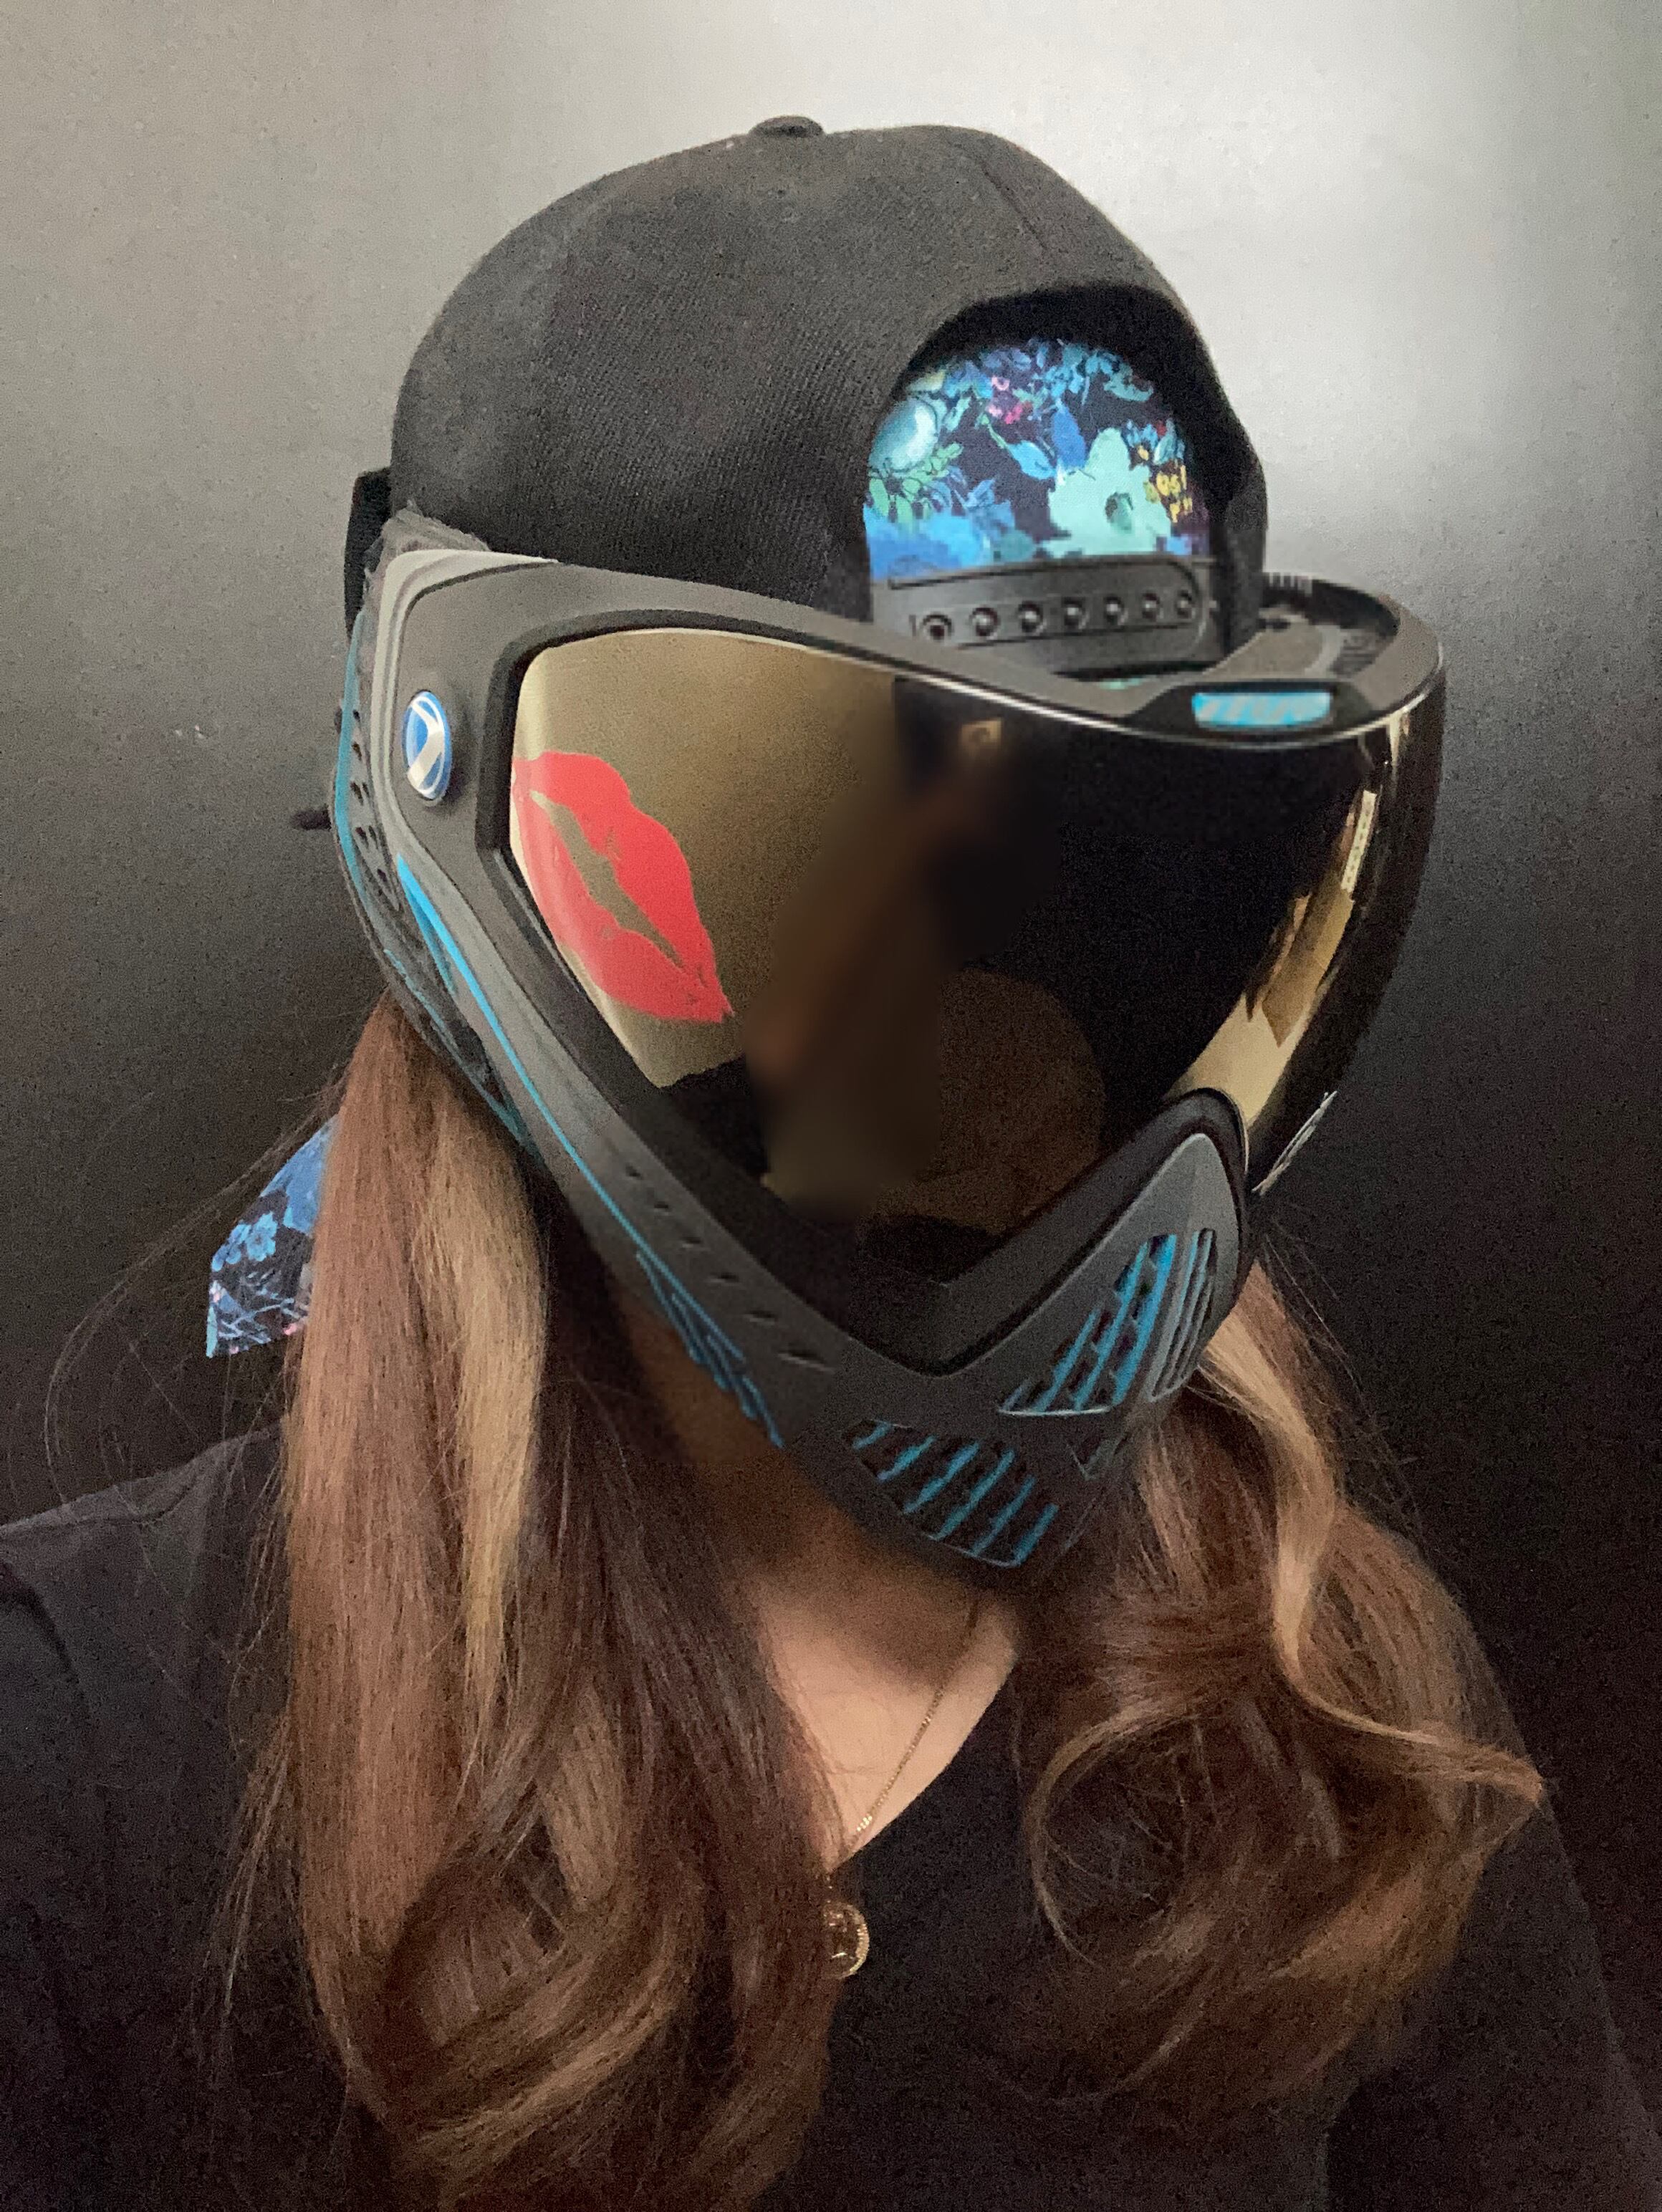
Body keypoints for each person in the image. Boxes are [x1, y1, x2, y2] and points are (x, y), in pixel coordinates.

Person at [2, 117, 1658, 2212]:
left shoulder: (1339, 1712)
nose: (985, 1029)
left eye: (1103, 886)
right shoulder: (84, 1751)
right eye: (821, 857)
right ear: (461, 789)